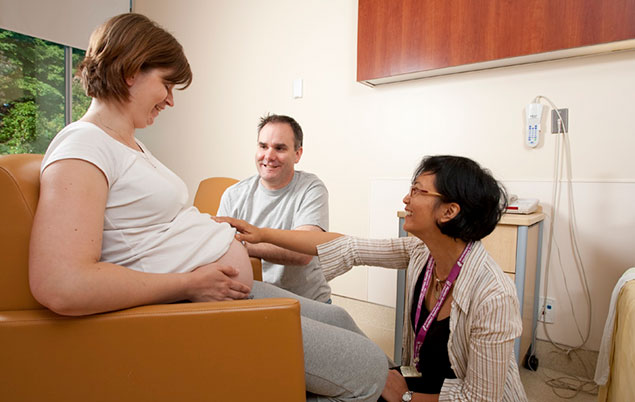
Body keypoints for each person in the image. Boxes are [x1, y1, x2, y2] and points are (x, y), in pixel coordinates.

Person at [28, 13, 387, 402]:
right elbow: (61, 285)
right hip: (198, 302)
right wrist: (190, 283)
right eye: (166, 83)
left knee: (341, 318)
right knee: (369, 371)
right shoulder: (84, 146)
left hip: (227, 290)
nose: (170, 99)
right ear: (131, 71)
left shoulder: (127, 144)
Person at [216, 155, 529, 402]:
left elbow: (480, 398)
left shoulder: (493, 295)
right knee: (335, 316)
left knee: (355, 381)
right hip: (416, 382)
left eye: (418, 191)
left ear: (449, 212)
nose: (406, 199)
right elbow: (348, 246)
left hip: (440, 398)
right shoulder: (422, 252)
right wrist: (259, 233)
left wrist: (405, 396)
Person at [218, 114, 331, 302]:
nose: (268, 156)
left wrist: (243, 244)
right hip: (254, 298)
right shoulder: (234, 194)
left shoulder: (312, 189)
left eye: (279, 148)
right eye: (263, 146)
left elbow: (302, 253)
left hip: (307, 302)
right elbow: (219, 249)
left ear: (298, 154)